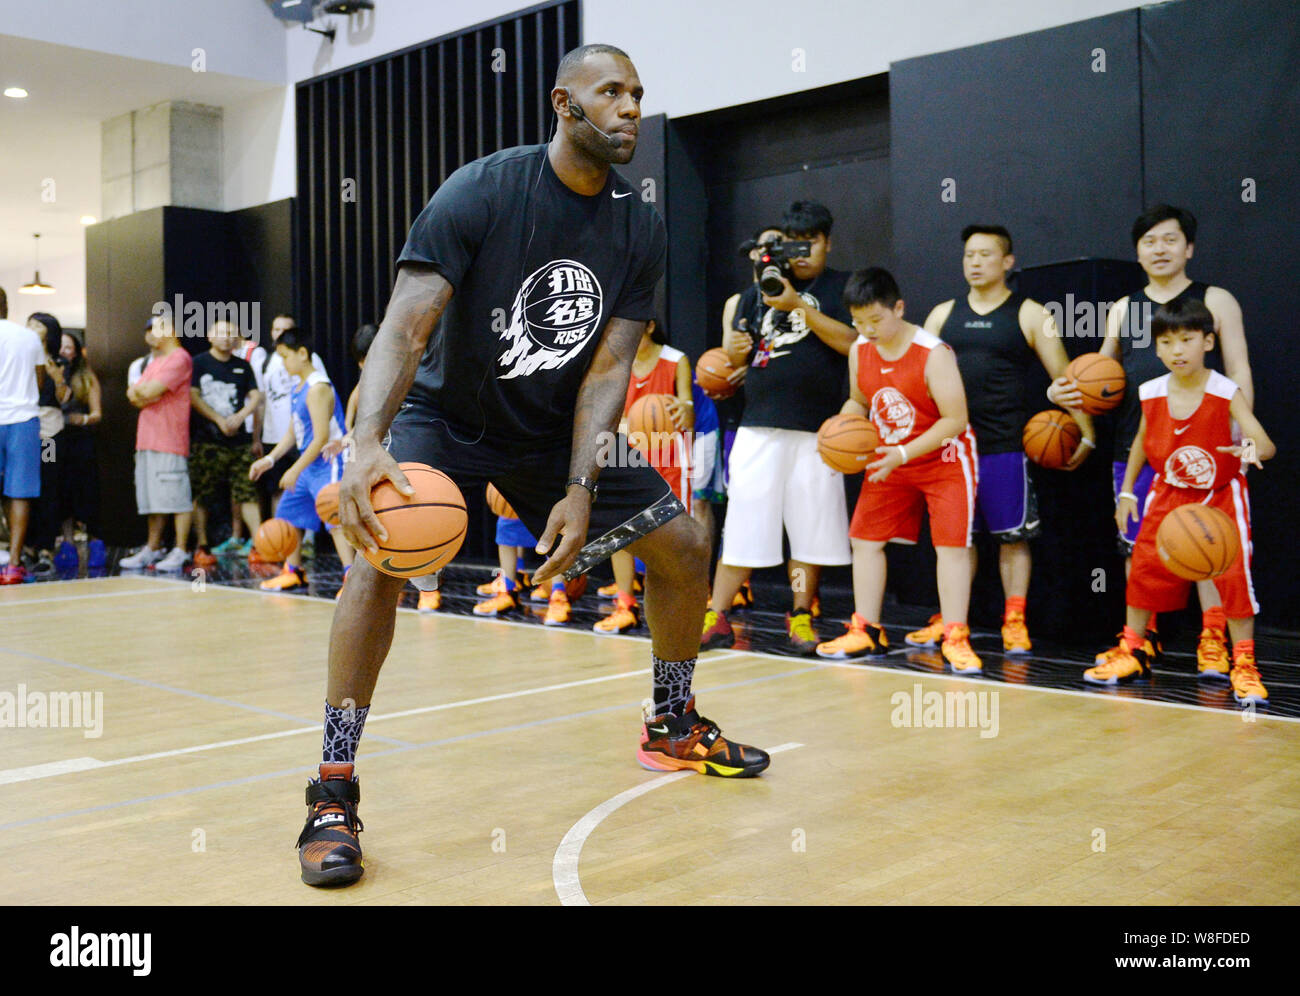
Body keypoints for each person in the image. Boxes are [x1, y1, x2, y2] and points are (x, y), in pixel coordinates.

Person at [294, 44, 769, 888]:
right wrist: (367, 440)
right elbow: (407, 325)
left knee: (685, 545)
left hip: (550, 430)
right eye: (611, 92)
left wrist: (583, 486)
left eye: (638, 94)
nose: (630, 107)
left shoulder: (639, 223)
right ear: (563, 103)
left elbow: (609, 368)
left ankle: (671, 722)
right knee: (379, 561)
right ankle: (333, 788)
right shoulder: (486, 189)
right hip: (446, 414)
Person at [1067, 205, 1253, 673]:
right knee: (1138, 548)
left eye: (1170, 240)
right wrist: (1065, 390)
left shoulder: (1217, 299)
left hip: (1203, 452)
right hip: (1139, 444)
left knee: (1207, 544)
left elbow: (1240, 367)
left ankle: (1213, 635)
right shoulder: (1125, 308)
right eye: (1149, 242)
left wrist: (1241, 431)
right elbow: (1100, 373)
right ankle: (1140, 642)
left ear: (1189, 248)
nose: (1160, 249)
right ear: (1138, 252)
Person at [916, 224, 1095, 654]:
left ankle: (1014, 619)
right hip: (952, 447)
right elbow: (919, 379)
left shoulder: (1032, 313)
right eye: (969, 256)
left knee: (1013, 538)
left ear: (1008, 262)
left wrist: (1086, 433)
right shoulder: (942, 314)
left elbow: (1066, 377)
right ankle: (951, 617)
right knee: (957, 540)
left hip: (1007, 446)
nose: (975, 263)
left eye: (985, 255)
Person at [1084, 299, 1272, 707]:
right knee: (1144, 574)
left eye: (1187, 339)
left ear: (1207, 341)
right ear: (1156, 349)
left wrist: (1252, 449)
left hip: (1220, 495)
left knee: (1234, 580)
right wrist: (1129, 491)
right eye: (1167, 342)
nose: (1177, 350)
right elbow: (1139, 442)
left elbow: (1265, 441)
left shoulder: (1224, 390)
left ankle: (1243, 664)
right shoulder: (1150, 391)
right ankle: (1133, 650)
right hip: (1168, 494)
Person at [701, 202, 858, 655]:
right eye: (795, 241)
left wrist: (797, 307)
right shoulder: (758, 290)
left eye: (812, 240)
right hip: (757, 426)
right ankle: (718, 614)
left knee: (811, 526)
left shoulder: (839, 287)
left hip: (816, 429)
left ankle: (802, 614)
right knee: (745, 521)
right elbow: (736, 361)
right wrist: (732, 350)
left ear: (828, 241)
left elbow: (853, 343)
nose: (802, 250)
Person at [815, 269, 982, 671]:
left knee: (952, 548)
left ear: (899, 308)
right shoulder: (860, 349)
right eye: (858, 322)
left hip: (943, 458)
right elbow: (858, 399)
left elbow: (955, 420)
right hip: (891, 457)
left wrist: (903, 454)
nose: (867, 330)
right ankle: (867, 630)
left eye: (875, 320)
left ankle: (955, 634)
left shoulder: (933, 352)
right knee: (865, 541)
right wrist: (838, 431)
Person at [596, 316, 692, 634]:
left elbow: (687, 414)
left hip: (668, 457)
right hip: (629, 456)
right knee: (619, 534)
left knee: (673, 539)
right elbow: (613, 417)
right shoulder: (615, 362)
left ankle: (679, 601)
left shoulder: (675, 360)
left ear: (649, 326)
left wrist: (682, 411)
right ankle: (626, 604)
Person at [249, 326, 352, 591]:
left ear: (303, 353)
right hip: (309, 464)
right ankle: (293, 571)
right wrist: (270, 460)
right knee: (289, 516)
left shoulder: (318, 388)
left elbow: (319, 438)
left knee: (335, 521)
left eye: (285, 356)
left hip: (330, 462)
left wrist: (294, 469)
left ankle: (352, 578)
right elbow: (293, 433)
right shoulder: (300, 387)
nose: (283, 364)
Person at [120, 315, 193, 572]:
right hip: (147, 440)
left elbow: (147, 393)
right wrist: (145, 393)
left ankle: (181, 549)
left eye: (156, 330)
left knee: (177, 497)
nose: (150, 336)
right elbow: (133, 396)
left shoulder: (180, 358)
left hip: (169, 440)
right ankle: (152, 548)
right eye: (147, 331)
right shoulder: (155, 361)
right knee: (152, 499)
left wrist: (147, 393)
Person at [188, 320, 263, 556]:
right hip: (207, 441)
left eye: (232, 334)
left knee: (247, 491)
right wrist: (219, 420)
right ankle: (202, 545)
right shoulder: (198, 363)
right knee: (203, 493)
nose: (227, 337)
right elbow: (193, 396)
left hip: (239, 441)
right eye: (221, 333)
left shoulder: (243, 365)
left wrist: (240, 417)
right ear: (210, 336)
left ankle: (261, 544)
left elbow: (255, 397)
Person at [0, 286, 45, 584]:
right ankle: (14, 564)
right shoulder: (28, 336)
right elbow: (39, 381)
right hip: (24, 419)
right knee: (19, 490)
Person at [55, 329, 105, 571]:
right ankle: (67, 543)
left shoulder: (86, 377)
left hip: (81, 440)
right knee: (60, 491)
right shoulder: (49, 373)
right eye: (60, 346)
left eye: (68, 346)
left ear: (76, 350)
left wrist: (81, 420)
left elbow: (97, 414)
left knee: (87, 490)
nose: (64, 350)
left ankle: (96, 543)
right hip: (53, 441)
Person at [26, 314, 68, 577]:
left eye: (38, 324)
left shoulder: (60, 362)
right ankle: (26, 545)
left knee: (49, 484)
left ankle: (46, 548)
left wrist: (56, 376)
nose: (31, 328)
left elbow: (65, 398)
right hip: (23, 428)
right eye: (29, 323)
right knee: (22, 486)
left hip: (50, 433)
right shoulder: (20, 357)